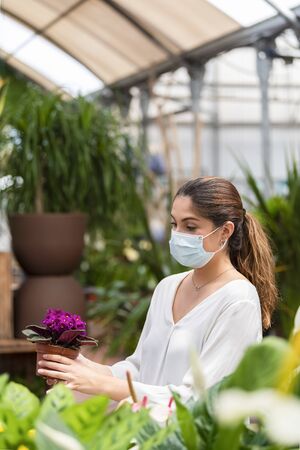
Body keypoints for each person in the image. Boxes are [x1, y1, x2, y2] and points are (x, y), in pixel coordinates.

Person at [38, 177, 278, 406]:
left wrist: (101, 385)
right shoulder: (167, 288)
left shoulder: (238, 300)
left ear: (225, 232)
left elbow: (201, 399)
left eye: (190, 226)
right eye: (175, 224)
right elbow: (141, 369)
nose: (178, 235)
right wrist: (81, 368)